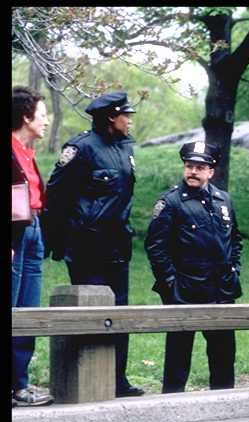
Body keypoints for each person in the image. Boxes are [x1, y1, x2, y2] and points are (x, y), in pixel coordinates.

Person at [44, 91, 144, 398]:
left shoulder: (126, 147)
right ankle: (87, 380)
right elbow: (57, 195)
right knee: (91, 312)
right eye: (126, 115)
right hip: (86, 245)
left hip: (117, 244)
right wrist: (57, 240)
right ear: (112, 117)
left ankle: (117, 379)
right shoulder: (81, 148)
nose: (130, 120)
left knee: (120, 311)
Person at [145, 142, 243, 393]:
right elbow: (156, 247)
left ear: (211, 171)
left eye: (200, 167)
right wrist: (170, 283)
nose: (193, 172)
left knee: (223, 354)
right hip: (184, 289)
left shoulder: (224, 200)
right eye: (189, 166)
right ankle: (171, 405)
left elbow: (236, 241)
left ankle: (224, 404)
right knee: (178, 355)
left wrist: (234, 271)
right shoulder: (171, 202)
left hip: (220, 290)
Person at [11, 86, 54, 407]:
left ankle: (19, 385)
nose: (46, 121)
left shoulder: (28, 152)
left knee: (28, 310)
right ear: (26, 117)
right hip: (14, 234)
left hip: (32, 229)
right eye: (41, 115)